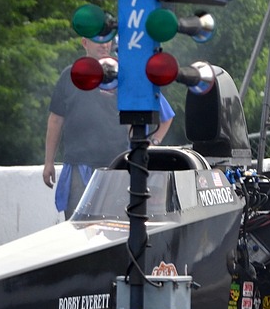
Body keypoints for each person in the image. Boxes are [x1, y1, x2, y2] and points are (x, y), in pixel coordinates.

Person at [43, 37, 174, 219]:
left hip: (118, 166)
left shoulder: (124, 75)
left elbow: (166, 115)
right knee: (77, 225)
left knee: (115, 224)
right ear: (84, 42)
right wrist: (48, 162)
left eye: (107, 40)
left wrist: (153, 142)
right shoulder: (70, 75)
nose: (104, 44)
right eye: (97, 40)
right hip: (78, 166)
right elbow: (56, 120)